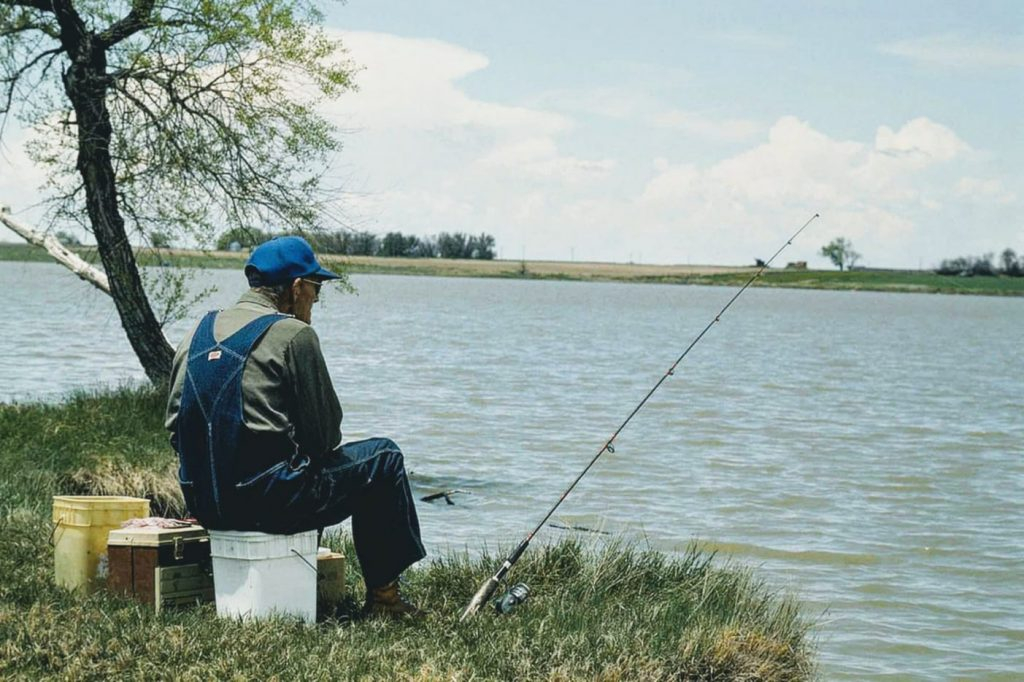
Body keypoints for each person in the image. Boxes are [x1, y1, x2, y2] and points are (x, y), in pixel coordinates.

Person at [165, 235, 426, 617]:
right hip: (268, 504)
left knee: (290, 466)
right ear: (297, 287)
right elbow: (324, 438)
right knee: (384, 457)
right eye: (315, 294)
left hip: (204, 504)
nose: (313, 306)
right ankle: (385, 599)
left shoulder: (196, 332)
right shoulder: (294, 334)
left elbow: (175, 426)